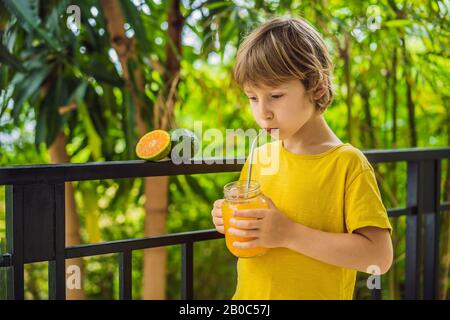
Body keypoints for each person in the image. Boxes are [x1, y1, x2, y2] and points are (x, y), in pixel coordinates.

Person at [210, 16, 393, 300]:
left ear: (317, 87)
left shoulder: (347, 164)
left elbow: (379, 257)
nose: (263, 113)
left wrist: (288, 234)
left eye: (276, 95)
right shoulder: (259, 157)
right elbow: (259, 227)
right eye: (252, 98)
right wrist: (229, 218)